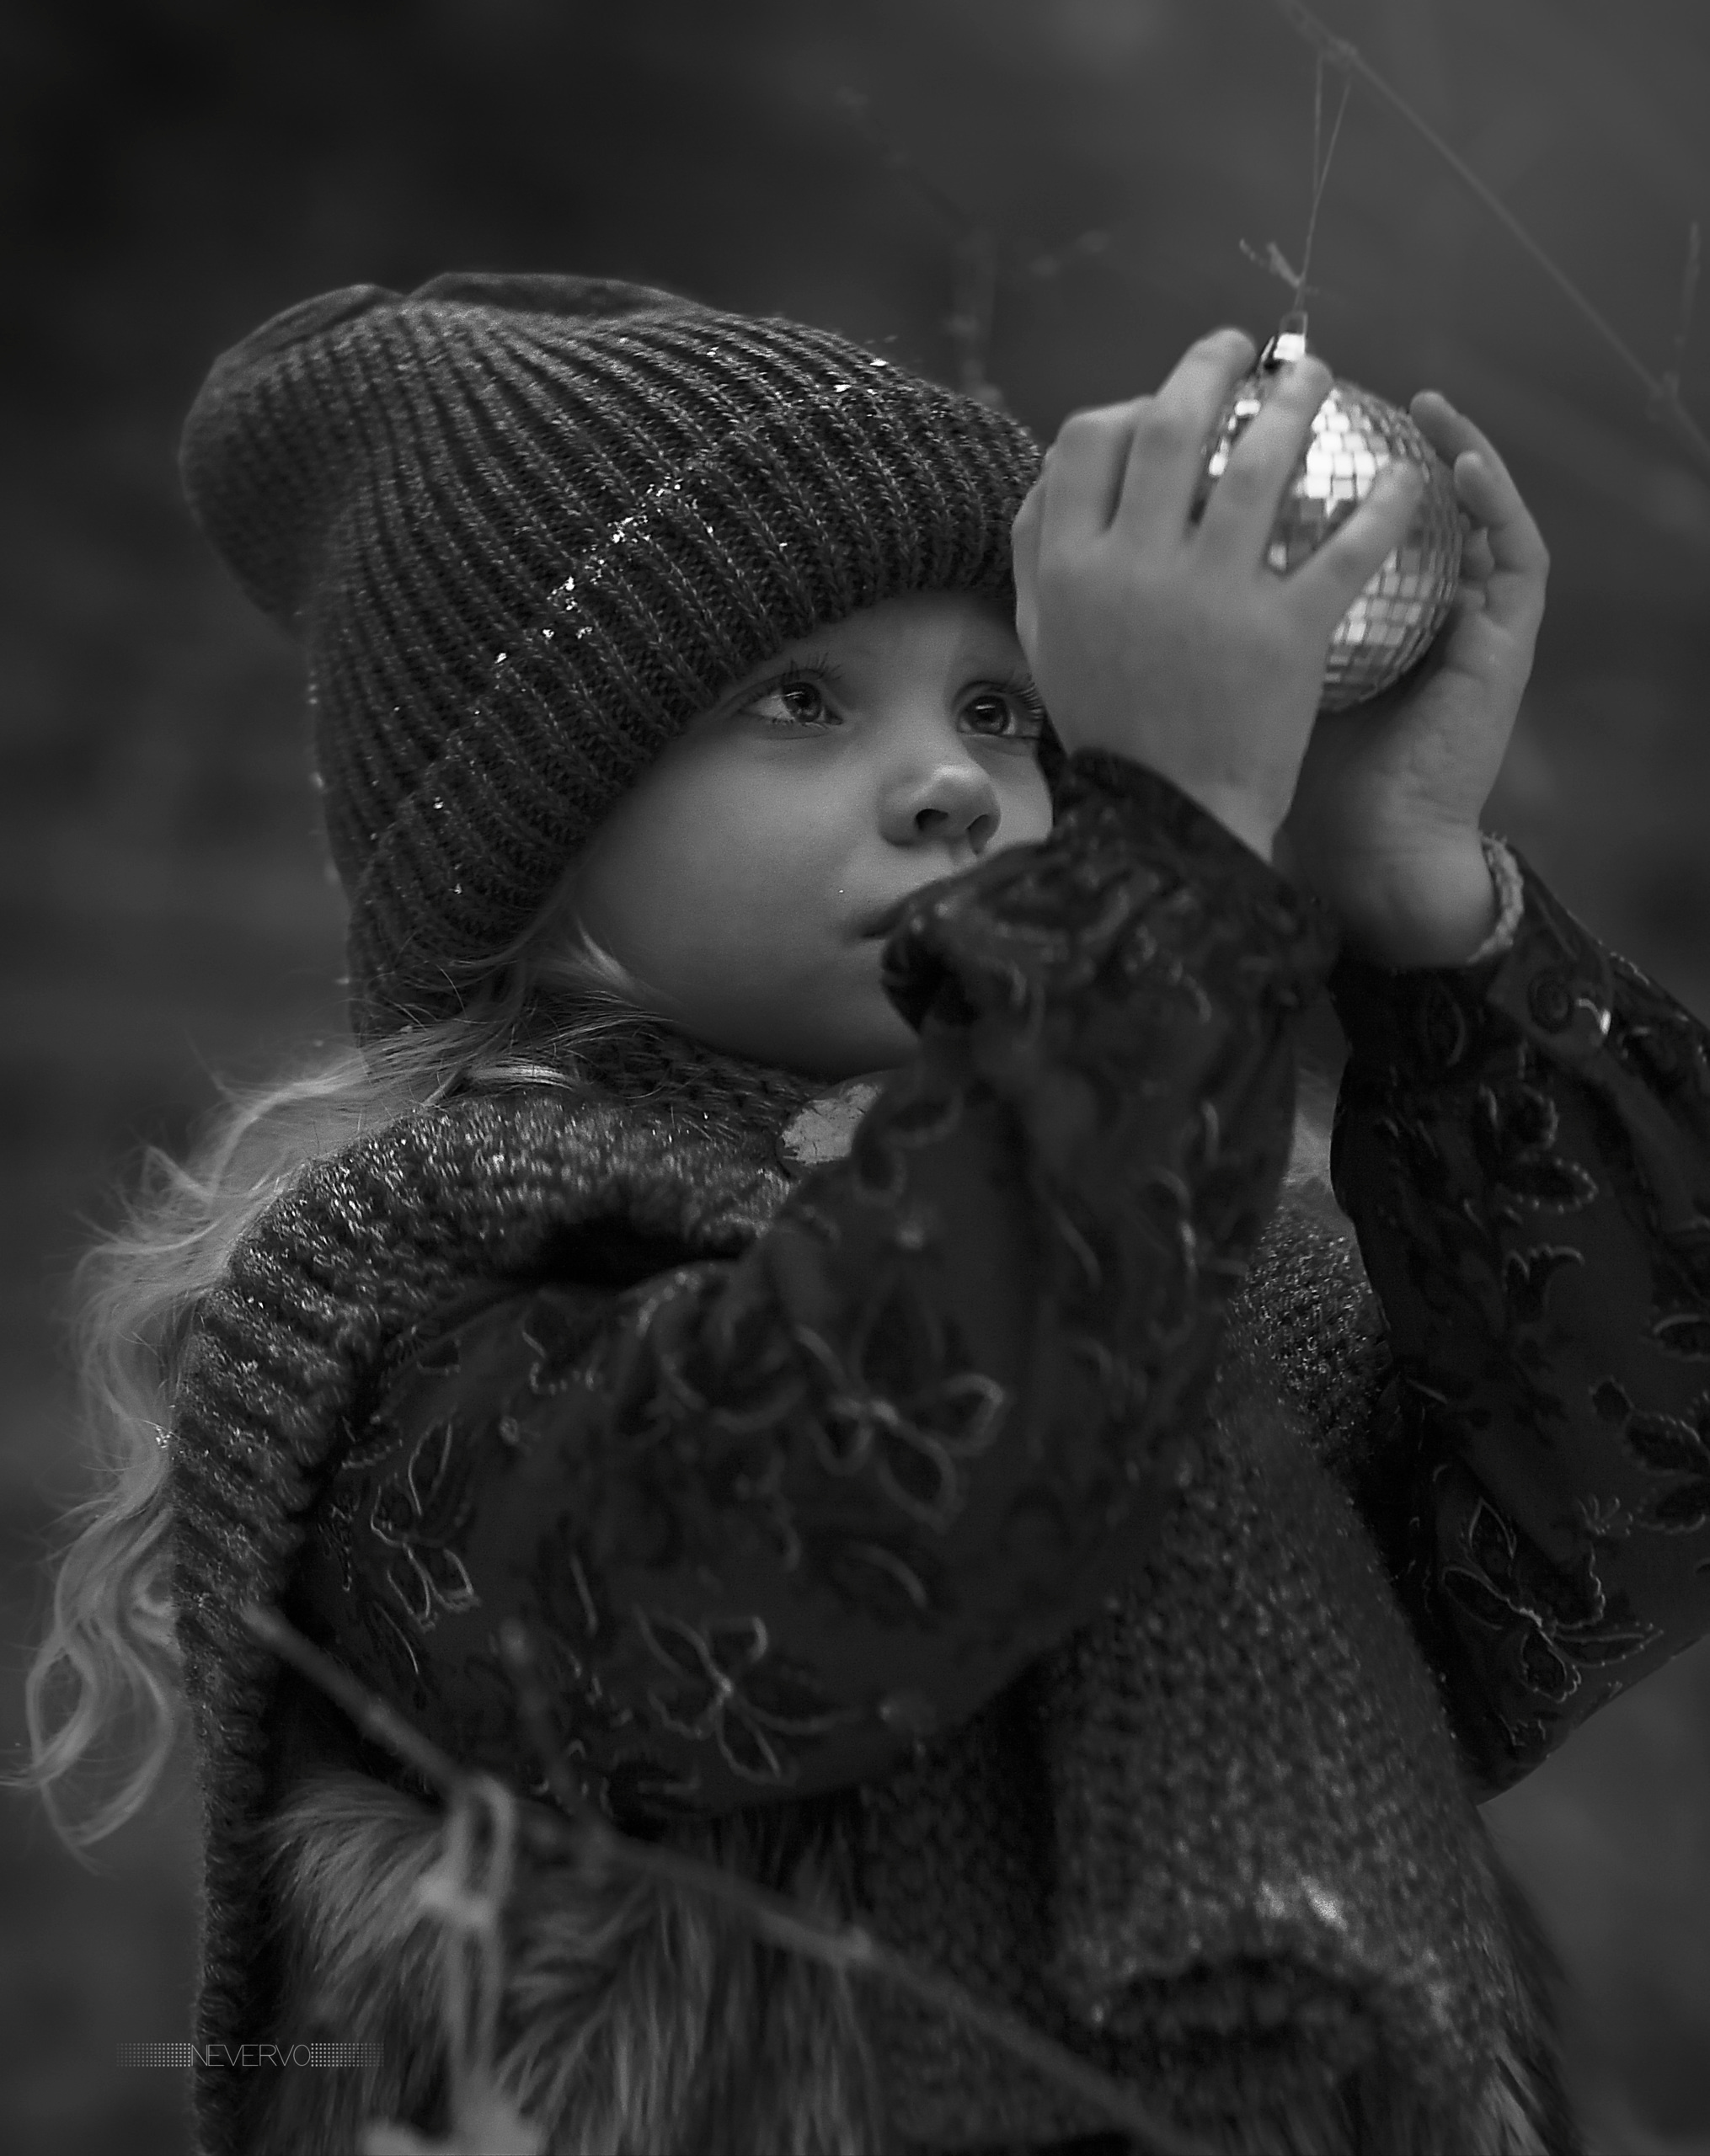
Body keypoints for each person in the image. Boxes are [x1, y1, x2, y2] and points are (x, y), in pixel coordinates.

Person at [16, 272, 1710, 2156]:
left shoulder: (1169, 1230)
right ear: (533, 836)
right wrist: (1164, 857)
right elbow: (867, 1502)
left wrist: (1421, 914)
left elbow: (1598, 1529)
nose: (943, 785)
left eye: (1003, 706)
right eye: (797, 700)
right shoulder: (428, 1293)